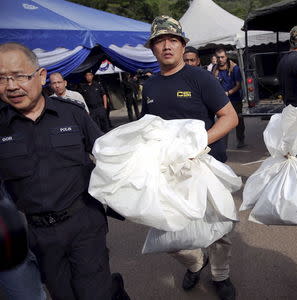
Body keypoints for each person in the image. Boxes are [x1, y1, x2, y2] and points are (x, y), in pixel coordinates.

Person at [0, 42, 129, 300]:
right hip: (39, 234)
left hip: (84, 222)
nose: (12, 86)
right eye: (2, 79)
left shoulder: (73, 115)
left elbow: (110, 155)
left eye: (20, 76)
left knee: (93, 293)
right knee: (63, 295)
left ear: (41, 76)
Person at [142, 16, 238, 300]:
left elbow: (229, 117)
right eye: (160, 41)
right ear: (153, 49)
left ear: (183, 46)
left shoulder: (201, 78)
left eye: (173, 40)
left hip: (205, 167)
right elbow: (147, 129)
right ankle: (196, 263)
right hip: (168, 172)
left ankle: (221, 276)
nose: (166, 46)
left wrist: (195, 144)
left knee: (219, 230)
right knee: (170, 234)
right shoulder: (149, 86)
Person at [212, 48, 245, 148]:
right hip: (221, 101)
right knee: (222, 123)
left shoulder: (234, 68)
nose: (220, 59)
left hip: (235, 99)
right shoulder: (214, 68)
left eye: (222, 57)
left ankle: (241, 140)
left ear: (226, 57)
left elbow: (239, 85)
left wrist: (228, 92)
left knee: (238, 120)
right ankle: (223, 145)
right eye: (218, 57)